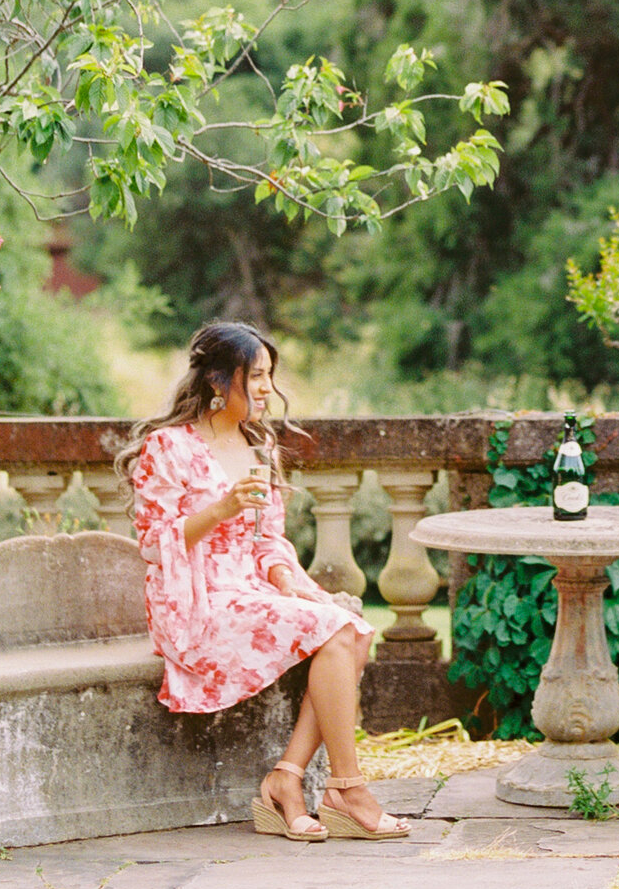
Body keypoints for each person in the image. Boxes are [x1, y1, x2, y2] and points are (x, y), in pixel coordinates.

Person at [118, 321, 409, 843]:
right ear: (217, 381)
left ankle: (288, 778)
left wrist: (286, 580)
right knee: (341, 631)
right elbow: (154, 542)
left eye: (269, 376)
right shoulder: (168, 447)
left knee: (350, 628)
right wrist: (222, 508)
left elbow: (268, 539)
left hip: (252, 591)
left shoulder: (260, 446)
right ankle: (344, 789)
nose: (265, 389)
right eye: (254, 376)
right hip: (196, 600)